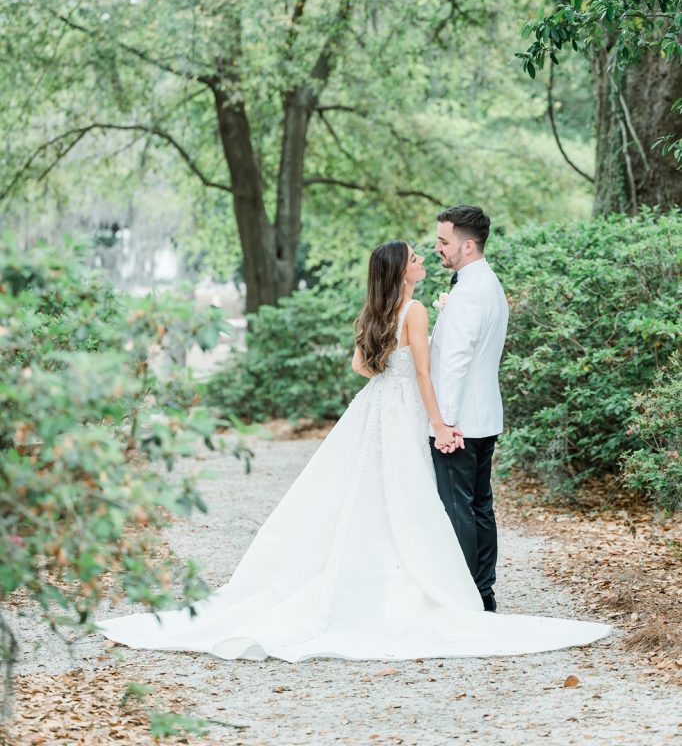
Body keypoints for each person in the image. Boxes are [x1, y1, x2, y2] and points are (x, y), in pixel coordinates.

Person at [97, 240, 609, 661]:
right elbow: (428, 373)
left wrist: (393, 373)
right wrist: (439, 422)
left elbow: (361, 368)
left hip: (376, 405)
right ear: (401, 271)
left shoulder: (378, 309)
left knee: (368, 489)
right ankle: (427, 584)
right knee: (406, 493)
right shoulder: (417, 309)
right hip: (407, 407)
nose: (423, 259)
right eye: (415, 257)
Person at [430, 205, 508, 614]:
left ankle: (468, 596)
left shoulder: (469, 292)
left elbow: (455, 361)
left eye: (444, 241)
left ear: (468, 244)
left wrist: (445, 422)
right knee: (479, 505)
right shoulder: (489, 284)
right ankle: (483, 593)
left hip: (461, 423)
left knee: (460, 507)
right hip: (484, 417)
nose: (437, 248)